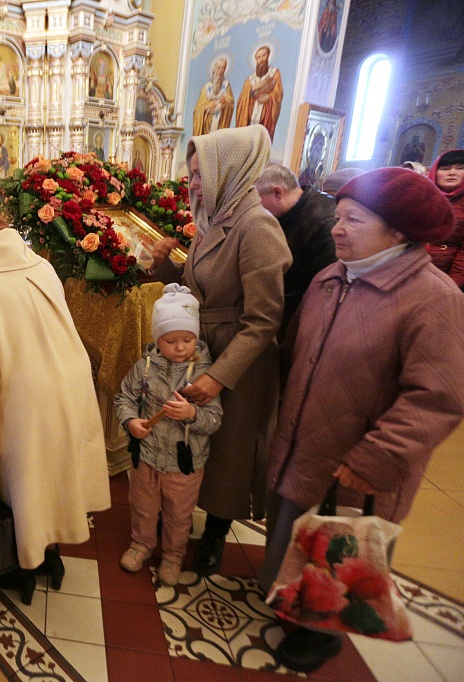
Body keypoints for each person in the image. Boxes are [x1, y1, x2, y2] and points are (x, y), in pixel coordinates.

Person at [259, 167, 464, 672]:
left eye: (354, 219)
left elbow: (437, 398)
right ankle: (289, 602)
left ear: (397, 232)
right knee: (293, 531)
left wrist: (376, 458)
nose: (336, 228)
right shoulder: (332, 277)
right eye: (339, 216)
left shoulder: (434, 299)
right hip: (304, 444)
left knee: (340, 554)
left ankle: (320, 636)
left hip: (358, 464)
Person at [0, 210, 111, 604]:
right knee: (54, 475)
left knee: (22, 487)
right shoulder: (40, 267)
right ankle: (50, 557)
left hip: (23, 401)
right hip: (69, 385)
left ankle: (26, 565)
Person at [150, 125, 292, 577]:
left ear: (226, 171)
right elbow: (200, 287)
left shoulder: (257, 226)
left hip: (240, 359)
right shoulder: (215, 218)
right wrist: (165, 266)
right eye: (191, 174)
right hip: (207, 345)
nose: (192, 183)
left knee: (229, 449)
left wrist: (219, 375)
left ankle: (215, 531)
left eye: (198, 174)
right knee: (199, 439)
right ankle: (189, 517)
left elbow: (264, 320)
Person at [114, 284, 222, 586]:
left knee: (178, 513)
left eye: (187, 339)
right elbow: (124, 398)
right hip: (145, 456)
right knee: (143, 506)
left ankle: (173, 554)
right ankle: (142, 544)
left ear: (196, 337)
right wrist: (131, 421)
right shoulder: (144, 368)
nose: (179, 347)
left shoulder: (205, 377)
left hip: (184, 463)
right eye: (170, 340)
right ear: (157, 339)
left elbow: (214, 419)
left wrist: (192, 415)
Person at [254, 163, 337, 341]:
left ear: (277, 193)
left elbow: (329, 290)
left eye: (257, 201)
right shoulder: (289, 212)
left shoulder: (323, 221)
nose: (256, 209)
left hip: (303, 324)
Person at [426, 149, 464, 289]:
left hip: (447, 273)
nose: (452, 172)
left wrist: (452, 284)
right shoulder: (422, 196)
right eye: (445, 168)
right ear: (435, 172)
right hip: (412, 268)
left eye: (460, 168)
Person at [235, 46, 283, 140]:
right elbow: (241, 100)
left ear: (268, 56)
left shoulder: (274, 73)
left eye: (263, 55)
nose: (261, 59)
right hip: (249, 121)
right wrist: (252, 90)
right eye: (258, 57)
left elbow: (278, 93)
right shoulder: (250, 79)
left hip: (264, 118)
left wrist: (269, 97)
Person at [192, 57, 235, 136]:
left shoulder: (226, 86)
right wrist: (206, 107)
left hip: (221, 124)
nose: (221, 71)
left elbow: (230, 101)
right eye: (219, 68)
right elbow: (197, 110)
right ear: (214, 69)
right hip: (206, 127)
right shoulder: (206, 88)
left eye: (223, 68)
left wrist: (223, 103)